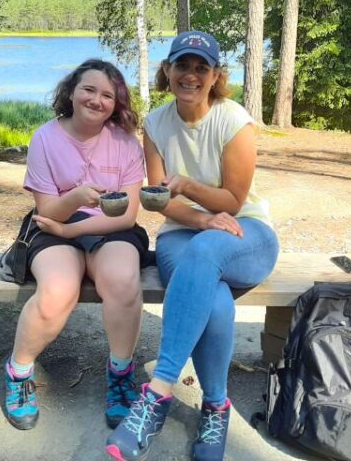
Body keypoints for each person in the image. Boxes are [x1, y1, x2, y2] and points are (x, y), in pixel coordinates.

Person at [106, 31, 279, 461]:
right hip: (181, 234)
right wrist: (200, 217)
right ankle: (216, 407)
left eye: (202, 68)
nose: (191, 75)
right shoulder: (156, 124)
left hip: (247, 234)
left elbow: (234, 202)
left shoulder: (233, 120)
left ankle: (158, 390)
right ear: (168, 70)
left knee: (206, 253)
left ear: (216, 75)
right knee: (214, 298)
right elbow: (160, 201)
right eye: (182, 65)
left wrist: (188, 187)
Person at [5, 59, 149, 432]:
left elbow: (127, 216)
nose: (97, 100)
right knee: (57, 290)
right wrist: (76, 199)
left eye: (107, 95)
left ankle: (120, 376)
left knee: (122, 282)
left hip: (112, 226)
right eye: (89, 89)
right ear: (71, 91)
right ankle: (19, 372)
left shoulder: (125, 143)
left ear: (116, 104)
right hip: (54, 222)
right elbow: (48, 209)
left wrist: (77, 233)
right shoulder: (45, 138)